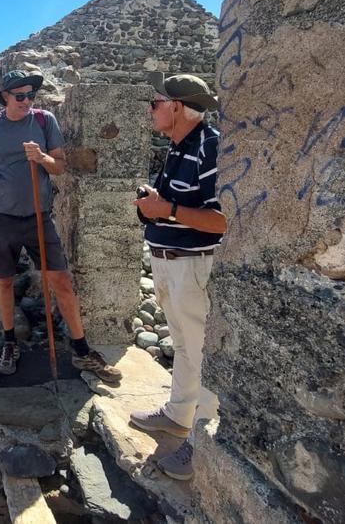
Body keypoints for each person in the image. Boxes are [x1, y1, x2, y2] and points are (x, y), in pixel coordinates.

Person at [0, 70, 122, 384]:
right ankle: (9, 343)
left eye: (30, 95)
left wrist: (42, 157)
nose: (26, 101)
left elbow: (59, 167)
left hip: (38, 218)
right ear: (5, 97)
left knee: (61, 281)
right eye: (19, 96)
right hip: (1, 220)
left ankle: (82, 350)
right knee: (4, 283)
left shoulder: (45, 120)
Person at [128, 73, 227, 481]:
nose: (149, 110)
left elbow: (220, 221)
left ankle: (198, 448)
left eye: (154, 103)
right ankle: (177, 415)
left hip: (192, 264)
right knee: (184, 344)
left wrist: (164, 210)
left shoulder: (210, 147)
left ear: (176, 107)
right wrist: (154, 206)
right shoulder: (178, 146)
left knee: (199, 349)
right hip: (170, 260)